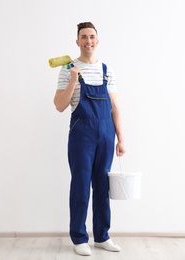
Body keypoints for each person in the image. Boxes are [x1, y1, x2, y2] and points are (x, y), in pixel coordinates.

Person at [54, 22, 126, 256]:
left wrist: (121, 138)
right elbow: (59, 105)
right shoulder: (68, 69)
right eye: (84, 37)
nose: (88, 41)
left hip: (106, 135)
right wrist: (74, 79)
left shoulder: (107, 70)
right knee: (81, 186)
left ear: (97, 40)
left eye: (92, 37)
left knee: (102, 187)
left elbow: (115, 107)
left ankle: (102, 236)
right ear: (77, 41)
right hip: (81, 136)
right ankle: (79, 238)